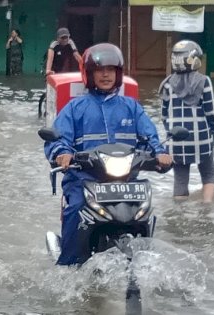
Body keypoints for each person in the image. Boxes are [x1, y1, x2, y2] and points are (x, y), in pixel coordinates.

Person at [43, 43, 173, 266]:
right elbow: (58, 138)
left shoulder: (131, 107)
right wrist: (62, 153)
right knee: (75, 208)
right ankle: (68, 266)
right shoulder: (76, 108)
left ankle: (145, 259)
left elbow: (150, 136)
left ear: (118, 73)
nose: (106, 75)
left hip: (125, 180)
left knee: (146, 213)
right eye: (100, 70)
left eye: (111, 70)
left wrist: (161, 153)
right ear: (90, 74)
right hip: (84, 179)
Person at [159, 40, 214, 203]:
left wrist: (171, 132)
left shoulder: (167, 83)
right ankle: (207, 208)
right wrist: (213, 132)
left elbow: (164, 115)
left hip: (177, 140)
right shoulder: (204, 81)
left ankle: (179, 212)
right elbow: (210, 112)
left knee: (180, 179)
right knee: (208, 173)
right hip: (202, 139)